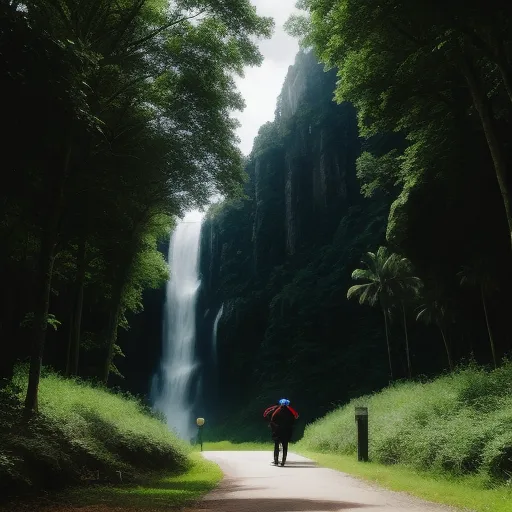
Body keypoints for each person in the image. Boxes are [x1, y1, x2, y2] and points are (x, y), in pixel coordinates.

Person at [263, 398, 299, 466]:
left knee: (276, 445)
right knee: (285, 445)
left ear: (280, 403)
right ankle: (283, 462)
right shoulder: (290, 410)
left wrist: (270, 424)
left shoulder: (276, 409)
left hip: (277, 430)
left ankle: (276, 461)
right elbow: (296, 416)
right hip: (287, 430)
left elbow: (266, 414)